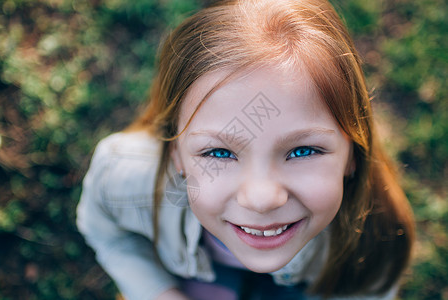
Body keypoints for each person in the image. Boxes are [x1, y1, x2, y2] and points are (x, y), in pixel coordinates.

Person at [76, 0, 415, 299]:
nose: (262, 198)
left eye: (302, 151)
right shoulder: (124, 178)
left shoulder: (378, 233)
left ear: (353, 153)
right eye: (219, 153)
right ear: (176, 151)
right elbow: (105, 230)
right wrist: (157, 292)